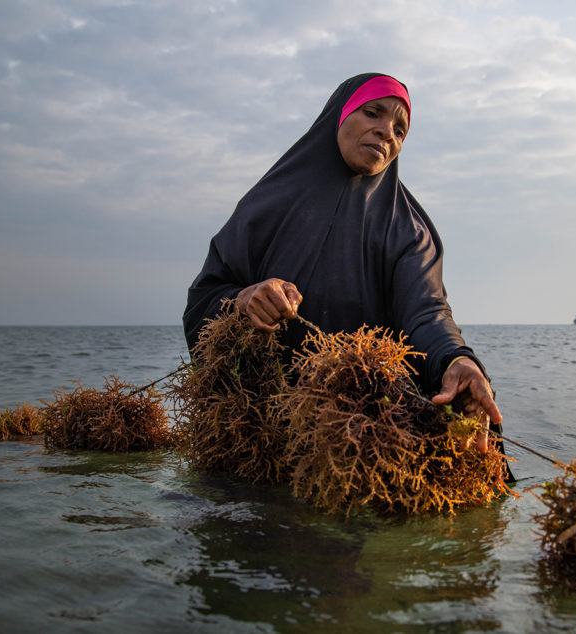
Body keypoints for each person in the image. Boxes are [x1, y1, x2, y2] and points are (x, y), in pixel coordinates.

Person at [183, 73, 502, 451]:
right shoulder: (264, 206)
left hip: (363, 432)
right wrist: (244, 299)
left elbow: (426, 313)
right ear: (338, 115)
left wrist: (455, 360)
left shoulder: (411, 232)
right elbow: (206, 297)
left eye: (400, 130)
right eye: (373, 113)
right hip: (256, 428)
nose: (387, 132)